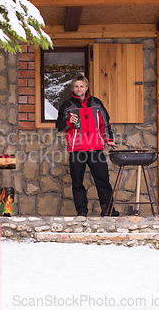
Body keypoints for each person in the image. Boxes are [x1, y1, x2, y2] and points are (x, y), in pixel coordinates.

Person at [56, 75, 119, 217]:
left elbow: (105, 124)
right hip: (77, 150)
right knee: (77, 182)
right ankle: (82, 212)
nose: (79, 89)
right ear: (73, 88)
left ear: (86, 87)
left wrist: (108, 140)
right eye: (76, 86)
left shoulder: (96, 103)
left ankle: (107, 210)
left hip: (95, 148)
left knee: (103, 180)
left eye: (81, 86)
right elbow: (59, 127)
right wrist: (69, 121)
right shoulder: (67, 106)